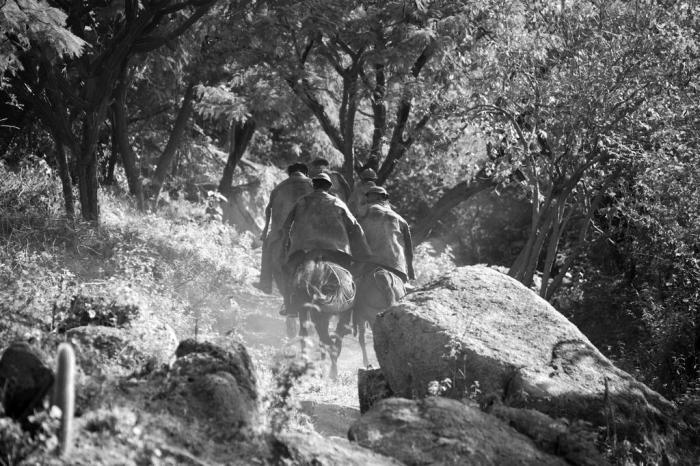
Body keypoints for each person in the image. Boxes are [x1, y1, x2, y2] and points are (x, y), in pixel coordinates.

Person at [280, 172, 372, 315]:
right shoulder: (338, 203)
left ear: (313, 185)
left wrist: (286, 246)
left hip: (305, 250)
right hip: (336, 251)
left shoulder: (302, 201)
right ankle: (348, 307)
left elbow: (285, 227)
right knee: (350, 278)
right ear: (329, 187)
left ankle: (290, 306)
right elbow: (355, 227)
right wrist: (363, 252)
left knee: (288, 272)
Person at [258, 163, 313, 295]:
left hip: (281, 233)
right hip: (309, 235)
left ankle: (265, 283)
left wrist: (265, 231)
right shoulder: (312, 185)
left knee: (267, 249)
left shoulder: (279, 187)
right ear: (306, 173)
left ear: (290, 174)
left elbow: (268, 210)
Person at [358, 186, 415, 283]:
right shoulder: (401, 220)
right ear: (385, 199)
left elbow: (352, 232)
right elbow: (409, 250)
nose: (366, 199)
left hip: (369, 264)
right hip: (397, 268)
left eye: (368, 197)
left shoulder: (362, 211)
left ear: (374, 197)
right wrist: (410, 272)